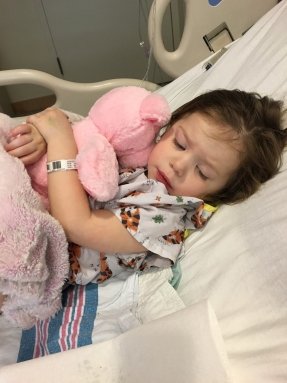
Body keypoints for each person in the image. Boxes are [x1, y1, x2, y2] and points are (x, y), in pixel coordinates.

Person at [4, 89, 287, 286]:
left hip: (32, 259)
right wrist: (42, 137)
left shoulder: (167, 217)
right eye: (179, 143)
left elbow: (76, 224)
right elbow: (91, 132)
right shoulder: (144, 158)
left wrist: (59, 142)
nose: (178, 164)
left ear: (221, 193)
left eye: (202, 171)